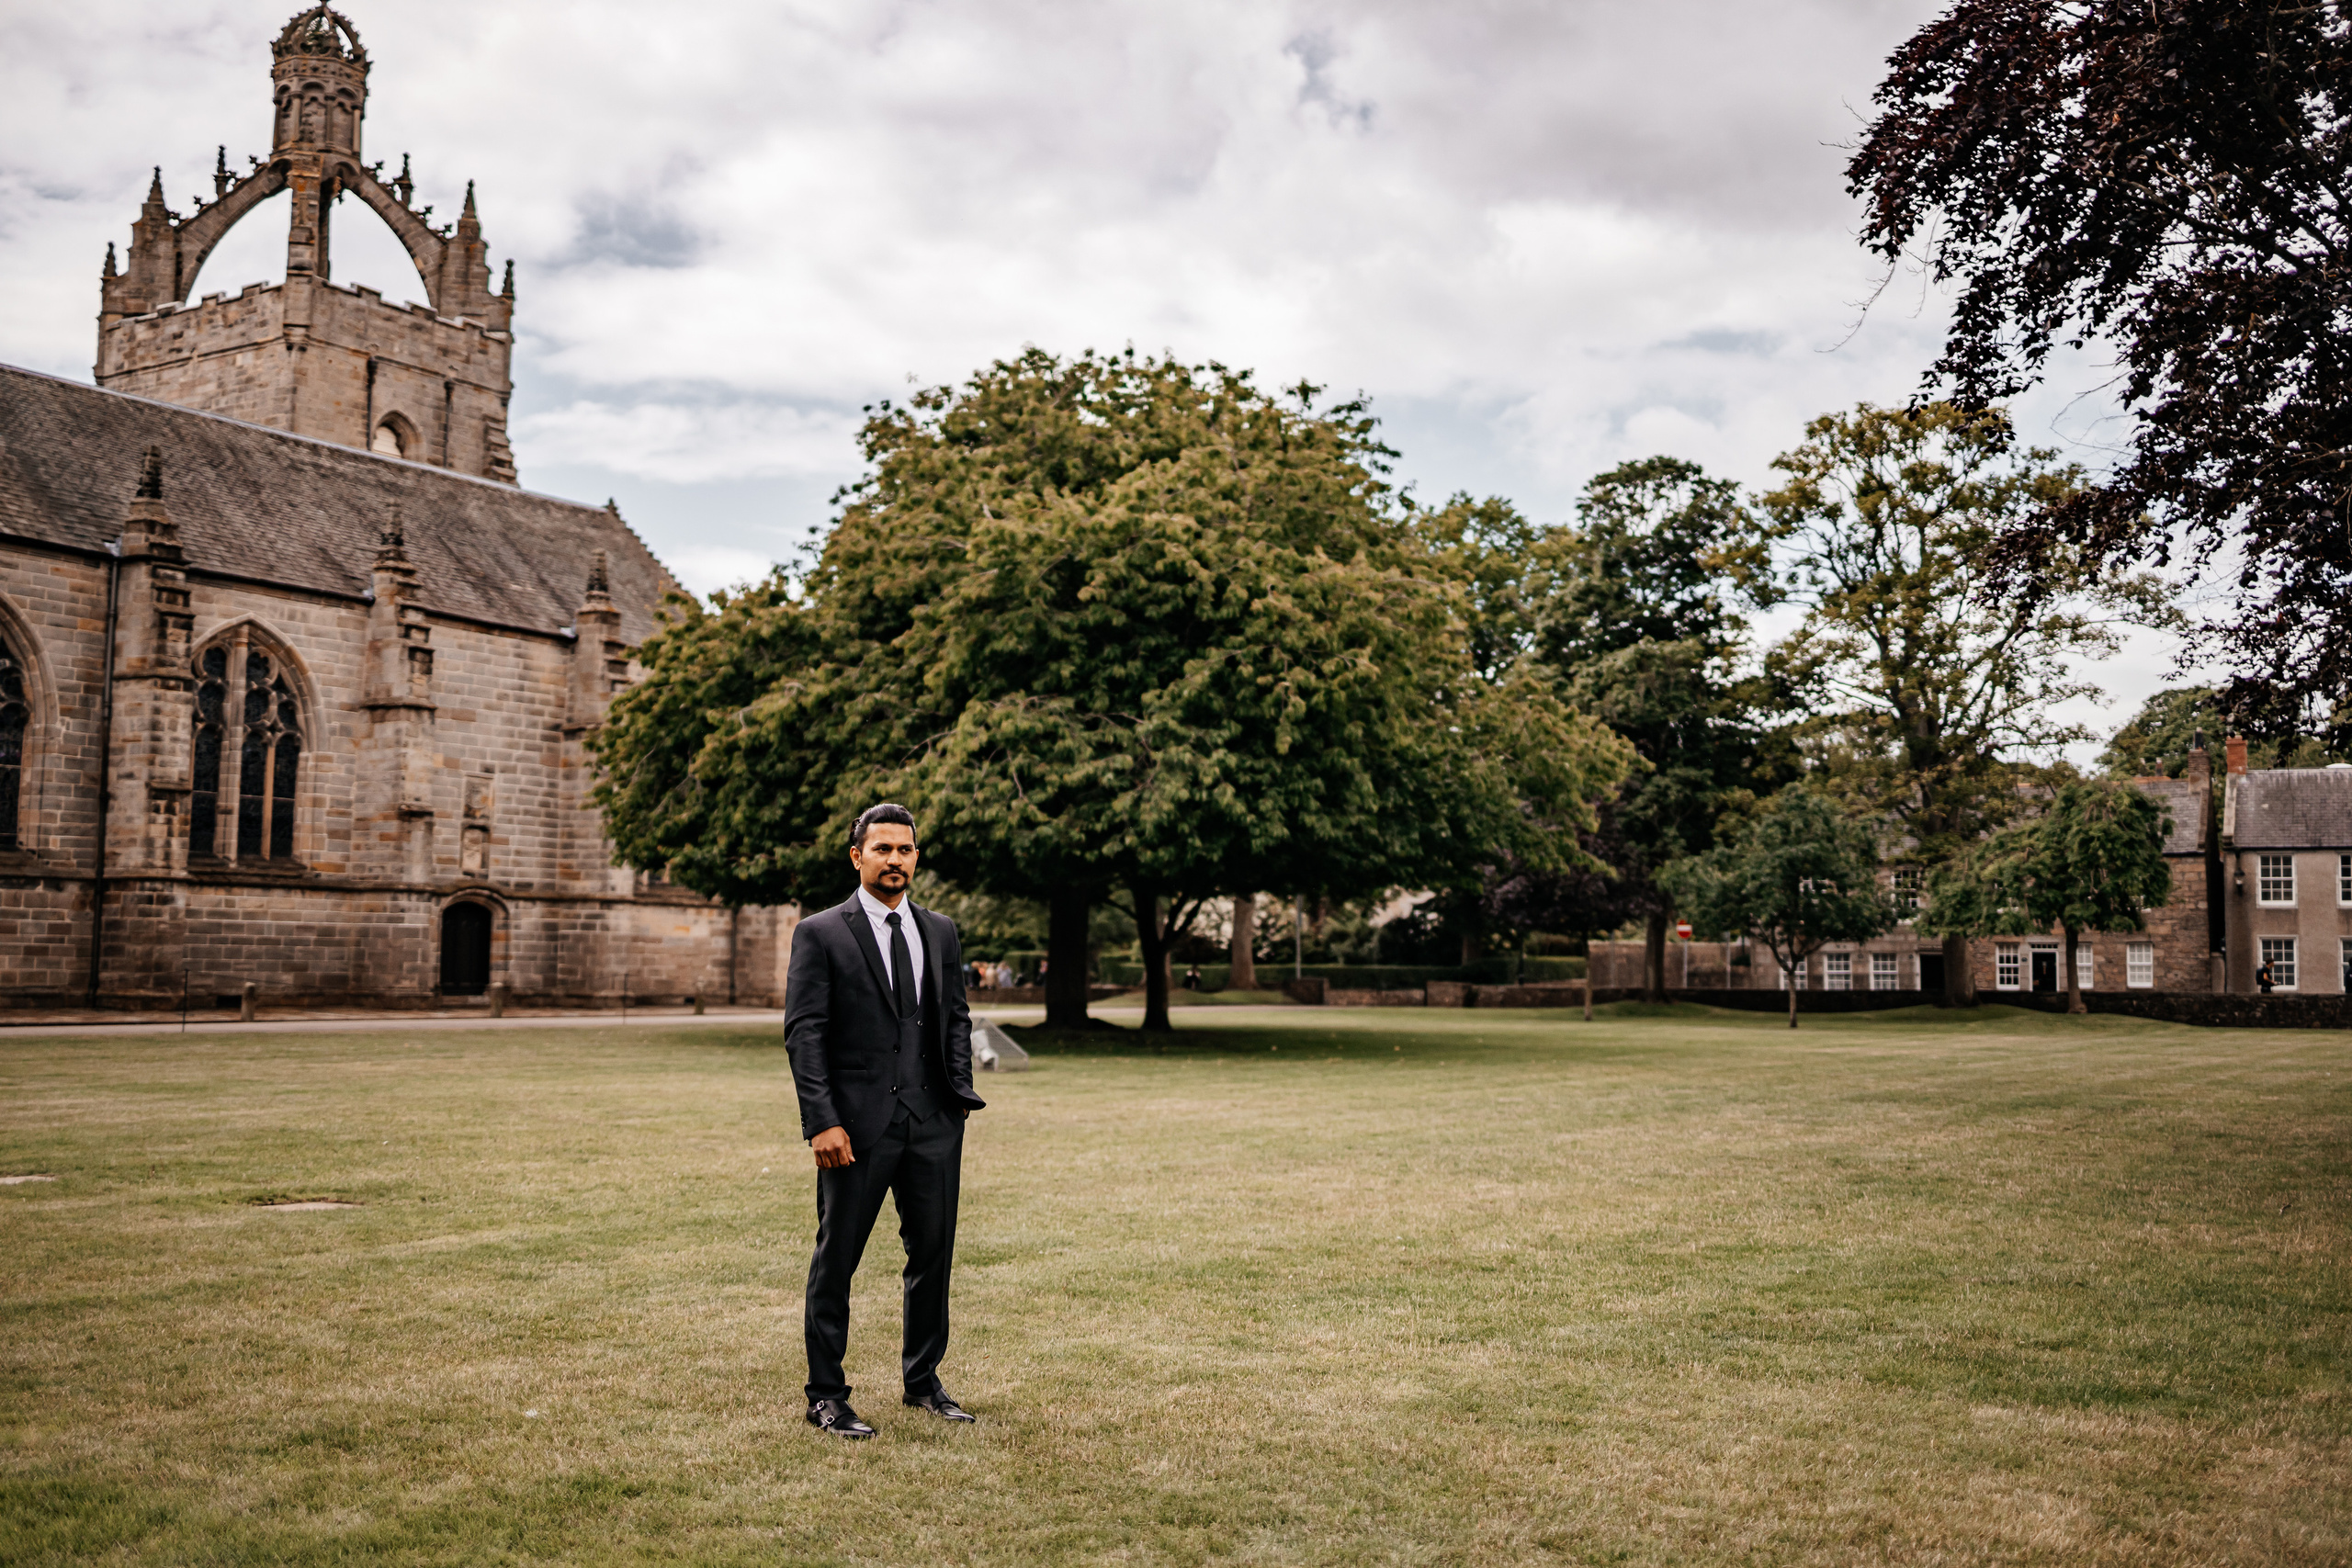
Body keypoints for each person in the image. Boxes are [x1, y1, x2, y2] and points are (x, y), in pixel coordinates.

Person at [785, 803, 986, 1439]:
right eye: (882, 849)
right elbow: (804, 1032)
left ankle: (922, 1381)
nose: (894, 859)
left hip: (932, 1121)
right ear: (857, 856)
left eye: (905, 849)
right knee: (836, 1257)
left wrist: (959, 1096)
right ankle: (827, 1395)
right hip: (855, 1127)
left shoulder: (942, 931)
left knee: (933, 1254)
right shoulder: (821, 933)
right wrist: (822, 1120)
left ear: (915, 858)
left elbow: (955, 1016)